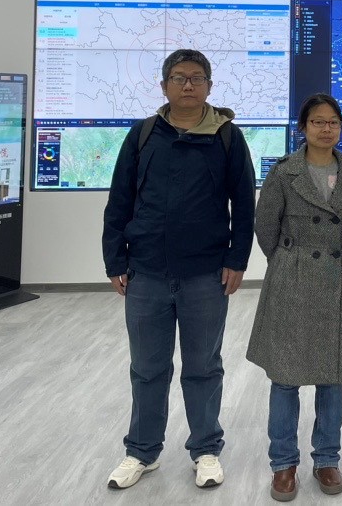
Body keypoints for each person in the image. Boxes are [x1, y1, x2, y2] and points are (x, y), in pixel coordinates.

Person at [102, 48, 255, 491]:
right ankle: (142, 451)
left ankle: (205, 449)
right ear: (164, 85)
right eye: (179, 77)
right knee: (147, 367)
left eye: (196, 78)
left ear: (209, 85)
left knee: (203, 366)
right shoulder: (143, 134)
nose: (188, 85)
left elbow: (244, 204)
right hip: (146, 271)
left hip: (206, 273)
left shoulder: (227, 137)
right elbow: (119, 199)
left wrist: (237, 260)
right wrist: (115, 259)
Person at [247, 93, 342, 502]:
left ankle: (327, 459)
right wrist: (289, 261)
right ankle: (283, 464)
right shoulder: (285, 172)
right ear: (303, 127)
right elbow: (265, 227)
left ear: (340, 127)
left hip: (337, 277)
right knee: (285, 378)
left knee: (333, 378)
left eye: (333, 122)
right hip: (292, 278)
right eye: (317, 121)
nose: (326, 129)